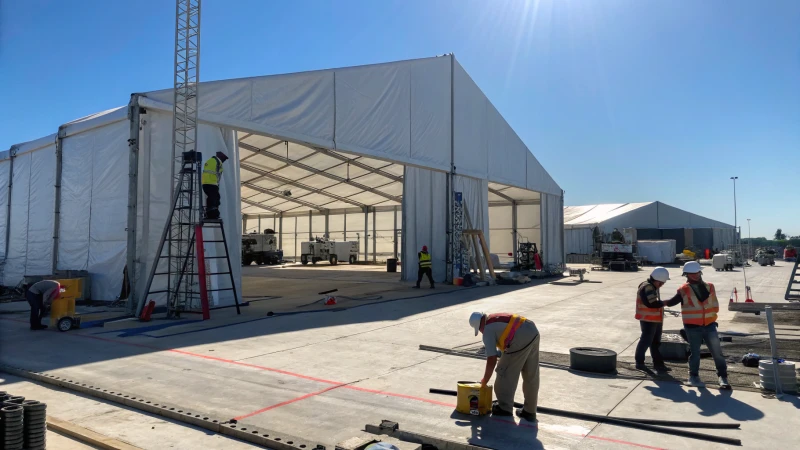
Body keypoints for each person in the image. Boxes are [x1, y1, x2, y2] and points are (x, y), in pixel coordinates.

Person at [661, 261, 730, 389]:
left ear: (700, 272)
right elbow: (672, 302)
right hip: (692, 327)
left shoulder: (710, 287)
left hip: (709, 325)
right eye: (692, 274)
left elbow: (714, 304)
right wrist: (659, 304)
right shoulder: (684, 290)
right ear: (686, 275)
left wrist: (712, 317)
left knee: (717, 352)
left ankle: (723, 377)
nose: (695, 276)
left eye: (697, 273)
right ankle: (693, 376)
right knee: (695, 353)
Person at [469, 311, 540, 422]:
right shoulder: (494, 318)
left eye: (479, 330)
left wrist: (484, 380)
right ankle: (530, 411)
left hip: (520, 339)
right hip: (532, 330)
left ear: (479, 326)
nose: (481, 332)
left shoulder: (487, 330)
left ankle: (504, 407)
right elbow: (507, 334)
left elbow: (491, 359)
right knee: (530, 374)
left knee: (504, 371)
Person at [634, 267, 676, 372]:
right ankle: (639, 362)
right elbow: (651, 303)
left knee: (655, 343)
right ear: (657, 279)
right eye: (661, 283)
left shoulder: (652, 287)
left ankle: (658, 364)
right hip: (648, 319)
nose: (662, 285)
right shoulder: (647, 287)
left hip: (655, 320)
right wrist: (665, 302)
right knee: (646, 341)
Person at [202, 151, 228, 219]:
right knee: (214, 199)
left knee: (213, 198)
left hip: (206, 183)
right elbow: (219, 175)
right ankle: (212, 214)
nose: (224, 161)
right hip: (212, 183)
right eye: (224, 159)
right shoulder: (218, 163)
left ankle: (210, 213)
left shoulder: (210, 160)